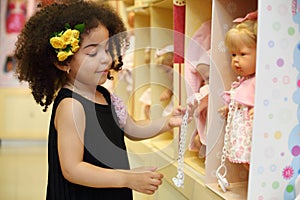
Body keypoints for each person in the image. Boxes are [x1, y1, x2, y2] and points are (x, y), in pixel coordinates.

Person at [14, 2, 195, 199]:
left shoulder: (106, 96)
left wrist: (167, 122)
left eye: (107, 49)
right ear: (63, 61)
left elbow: (132, 128)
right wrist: (127, 178)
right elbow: (72, 169)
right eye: (92, 52)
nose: (106, 59)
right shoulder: (71, 106)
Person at [218, 12, 257, 170]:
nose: (235, 60)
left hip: (250, 132)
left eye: (242, 54)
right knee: (246, 163)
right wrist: (229, 108)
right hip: (240, 133)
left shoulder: (257, 82)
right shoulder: (243, 82)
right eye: (233, 54)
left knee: (252, 160)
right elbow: (240, 101)